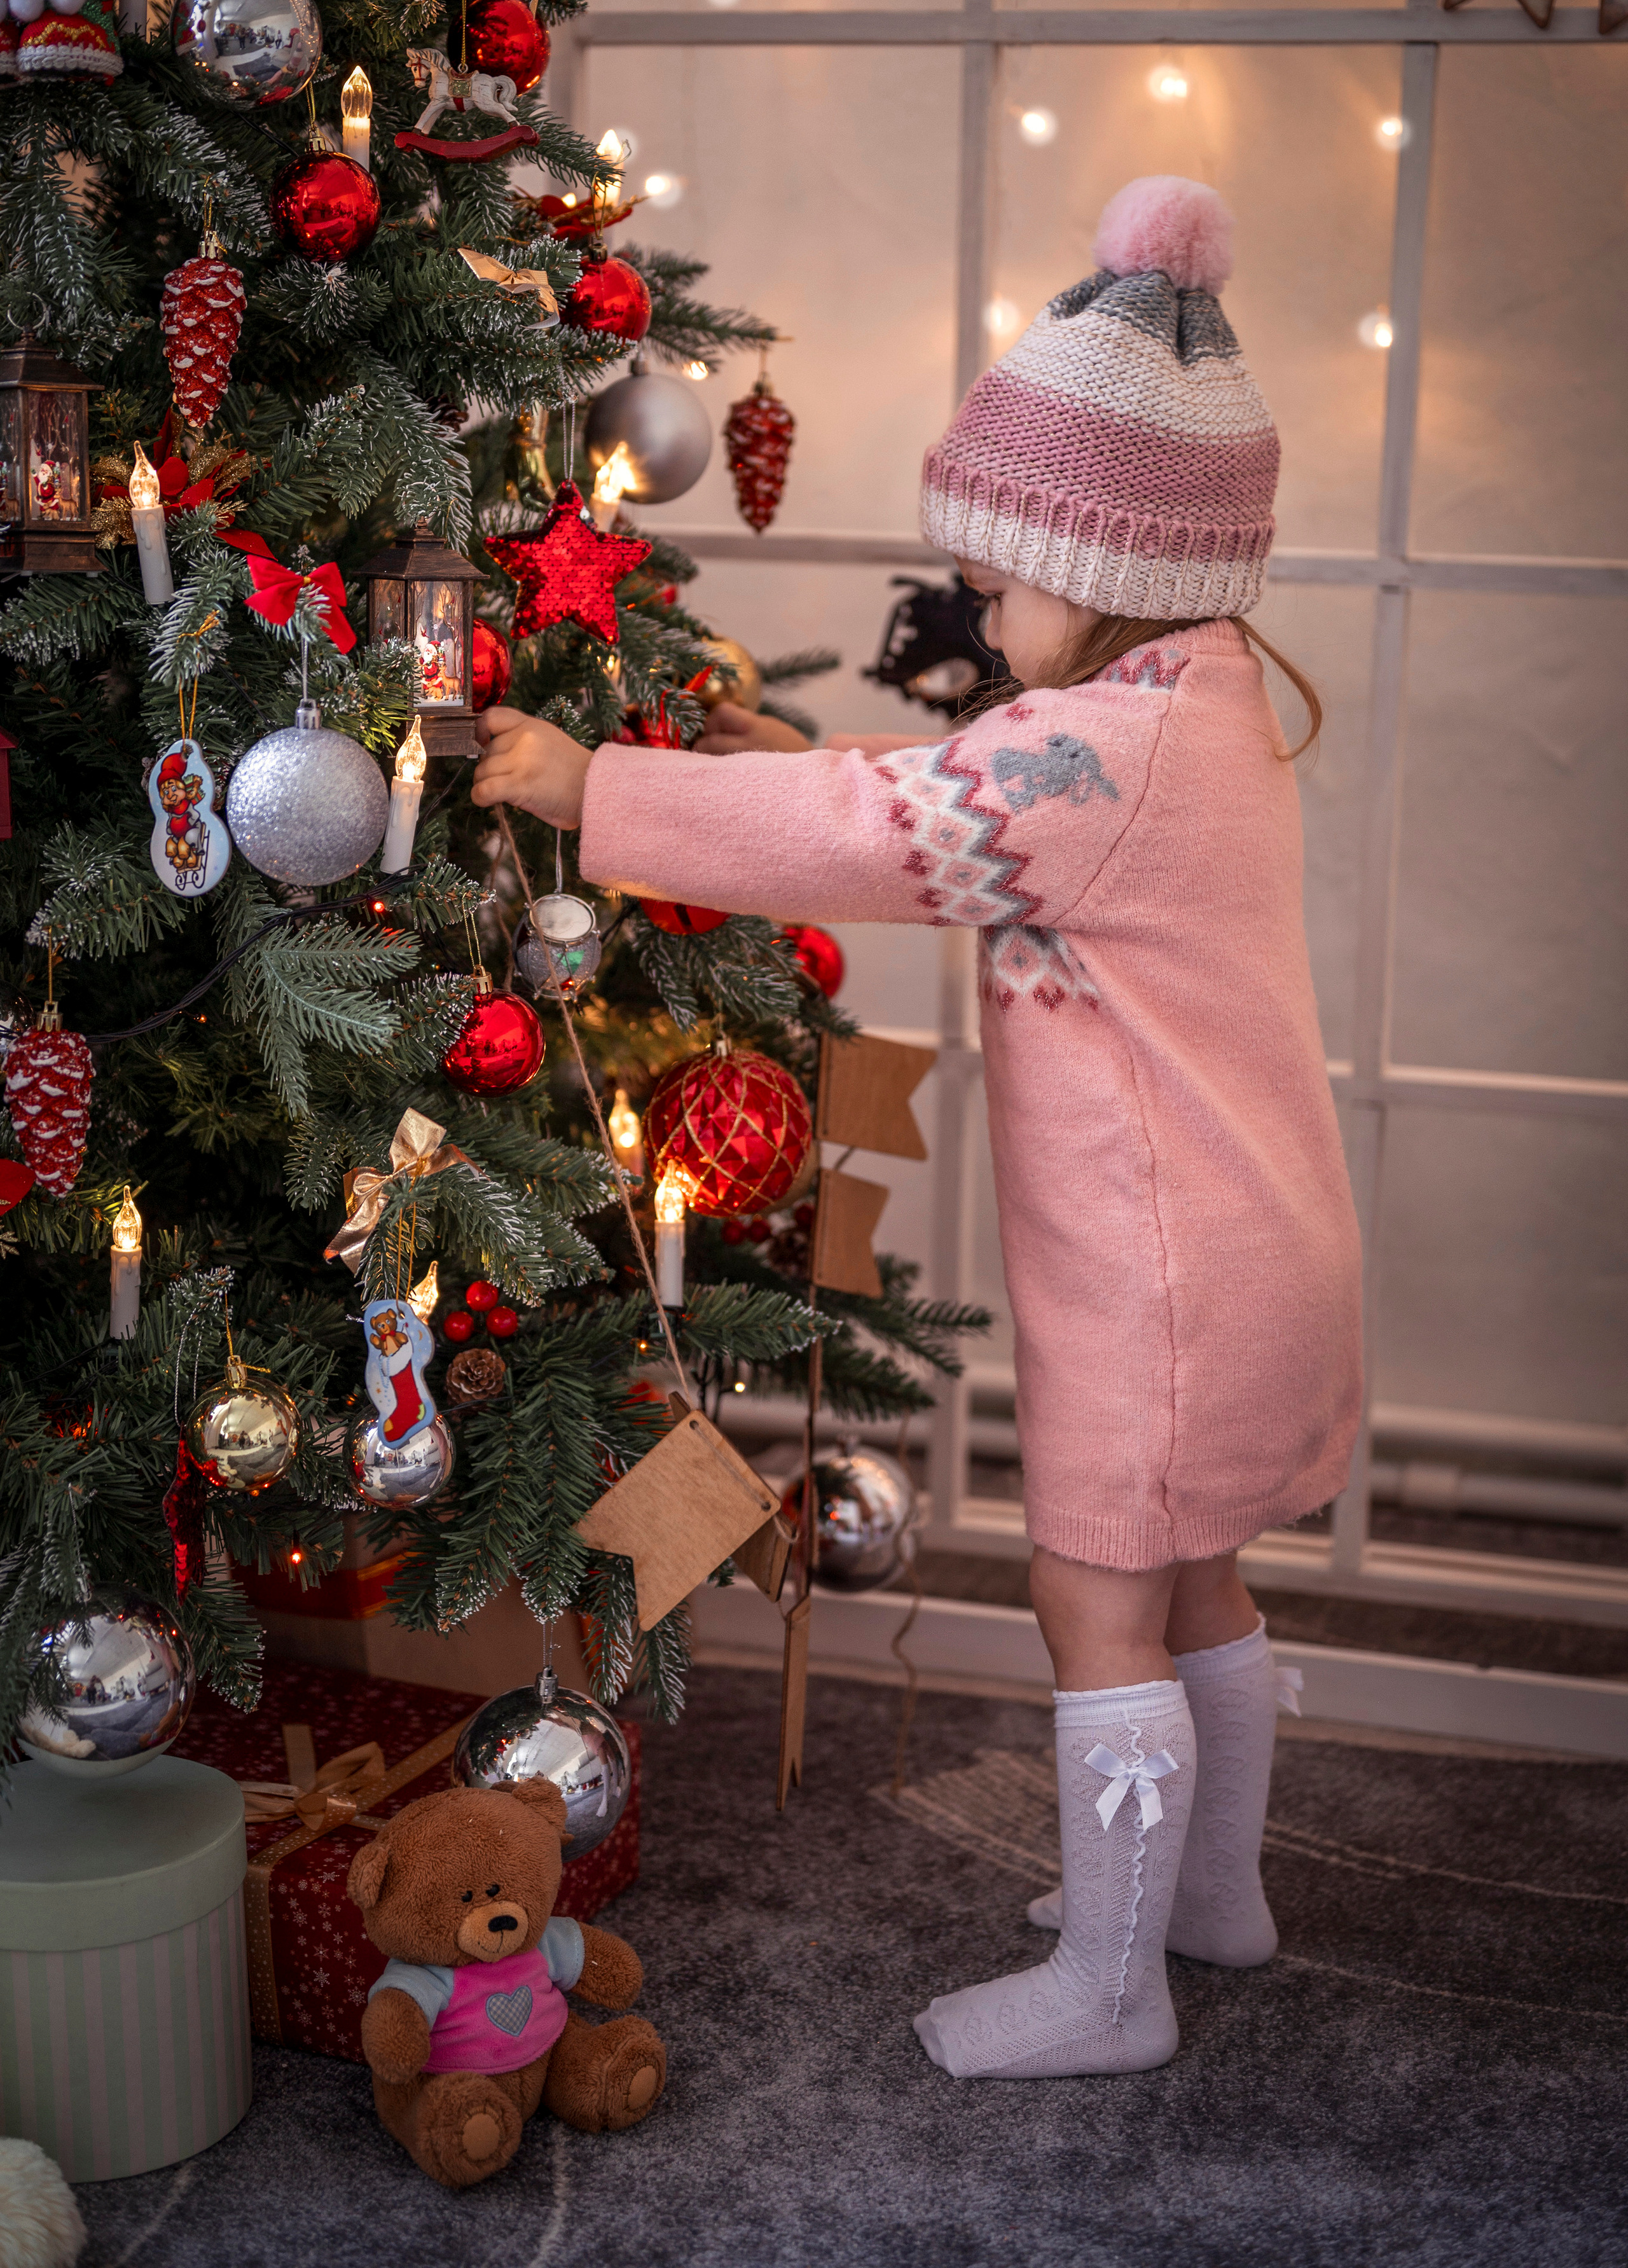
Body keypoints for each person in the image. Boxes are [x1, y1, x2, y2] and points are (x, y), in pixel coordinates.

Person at [471, 176, 1363, 2081]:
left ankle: (1115, 1994)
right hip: (1247, 1238)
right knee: (1195, 1577)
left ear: (1108, 565)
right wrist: (766, 765)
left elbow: (889, 836)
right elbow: (939, 795)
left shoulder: (1096, 750)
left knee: (1091, 1586)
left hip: (1165, 1276)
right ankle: (1208, 1899)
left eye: (1012, 573)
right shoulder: (1192, 710)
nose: (985, 604)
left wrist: (593, 791)